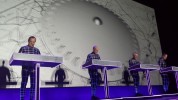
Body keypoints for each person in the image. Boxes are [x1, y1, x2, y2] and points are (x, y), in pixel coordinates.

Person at [19, 36, 40, 100]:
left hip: (33, 70)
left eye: (34, 42)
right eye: (31, 41)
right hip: (25, 69)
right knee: (23, 84)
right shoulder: (23, 48)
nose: (32, 43)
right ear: (28, 41)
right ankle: (22, 99)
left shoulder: (37, 50)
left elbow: (40, 60)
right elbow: (18, 57)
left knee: (33, 86)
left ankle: (32, 99)